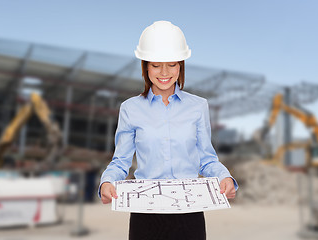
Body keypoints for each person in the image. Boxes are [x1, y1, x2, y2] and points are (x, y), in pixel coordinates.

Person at [99, 20, 238, 240]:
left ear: (181, 65)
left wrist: (225, 176)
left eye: (172, 64)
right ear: (145, 66)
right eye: (156, 65)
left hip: (189, 213)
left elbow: (206, 159)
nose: (164, 72)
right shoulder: (130, 109)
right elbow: (121, 161)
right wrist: (107, 181)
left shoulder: (198, 106)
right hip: (146, 213)